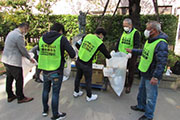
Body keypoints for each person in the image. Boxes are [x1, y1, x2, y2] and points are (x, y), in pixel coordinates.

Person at [127, 21, 168, 120]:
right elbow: (144, 51)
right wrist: (133, 50)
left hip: (152, 74)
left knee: (151, 97)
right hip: (145, 71)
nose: (146, 30)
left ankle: (149, 115)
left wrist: (156, 77)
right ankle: (141, 106)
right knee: (141, 91)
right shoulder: (150, 39)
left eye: (147, 28)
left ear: (154, 30)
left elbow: (161, 62)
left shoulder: (161, 44)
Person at [38, 23, 75, 120]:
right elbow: (72, 53)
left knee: (45, 90)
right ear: (60, 30)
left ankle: (45, 110)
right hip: (56, 70)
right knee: (55, 93)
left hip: (45, 69)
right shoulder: (61, 38)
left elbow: (40, 51)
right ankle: (55, 115)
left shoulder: (42, 38)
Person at [74, 28, 111, 102]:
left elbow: (77, 44)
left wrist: (83, 50)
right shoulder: (99, 42)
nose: (102, 37)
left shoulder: (87, 36)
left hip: (79, 59)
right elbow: (107, 55)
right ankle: (89, 96)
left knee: (78, 76)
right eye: (102, 36)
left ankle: (76, 92)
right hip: (87, 63)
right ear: (100, 34)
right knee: (88, 80)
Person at [1, 23, 35, 103]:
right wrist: (30, 58)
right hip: (13, 61)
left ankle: (10, 95)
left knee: (9, 78)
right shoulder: (19, 36)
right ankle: (20, 97)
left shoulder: (11, 33)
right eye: (27, 30)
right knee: (19, 79)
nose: (26, 32)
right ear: (24, 28)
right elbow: (22, 49)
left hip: (6, 60)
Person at [115, 18, 140, 94]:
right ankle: (123, 83)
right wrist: (115, 50)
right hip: (122, 55)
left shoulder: (135, 33)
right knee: (122, 70)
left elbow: (136, 45)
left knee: (130, 71)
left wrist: (131, 53)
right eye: (123, 26)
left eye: (126, 25)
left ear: (130, 25)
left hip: (130, 56)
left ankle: (129, 86)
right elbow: (119, 41)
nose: (124, 27)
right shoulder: (124, 32)